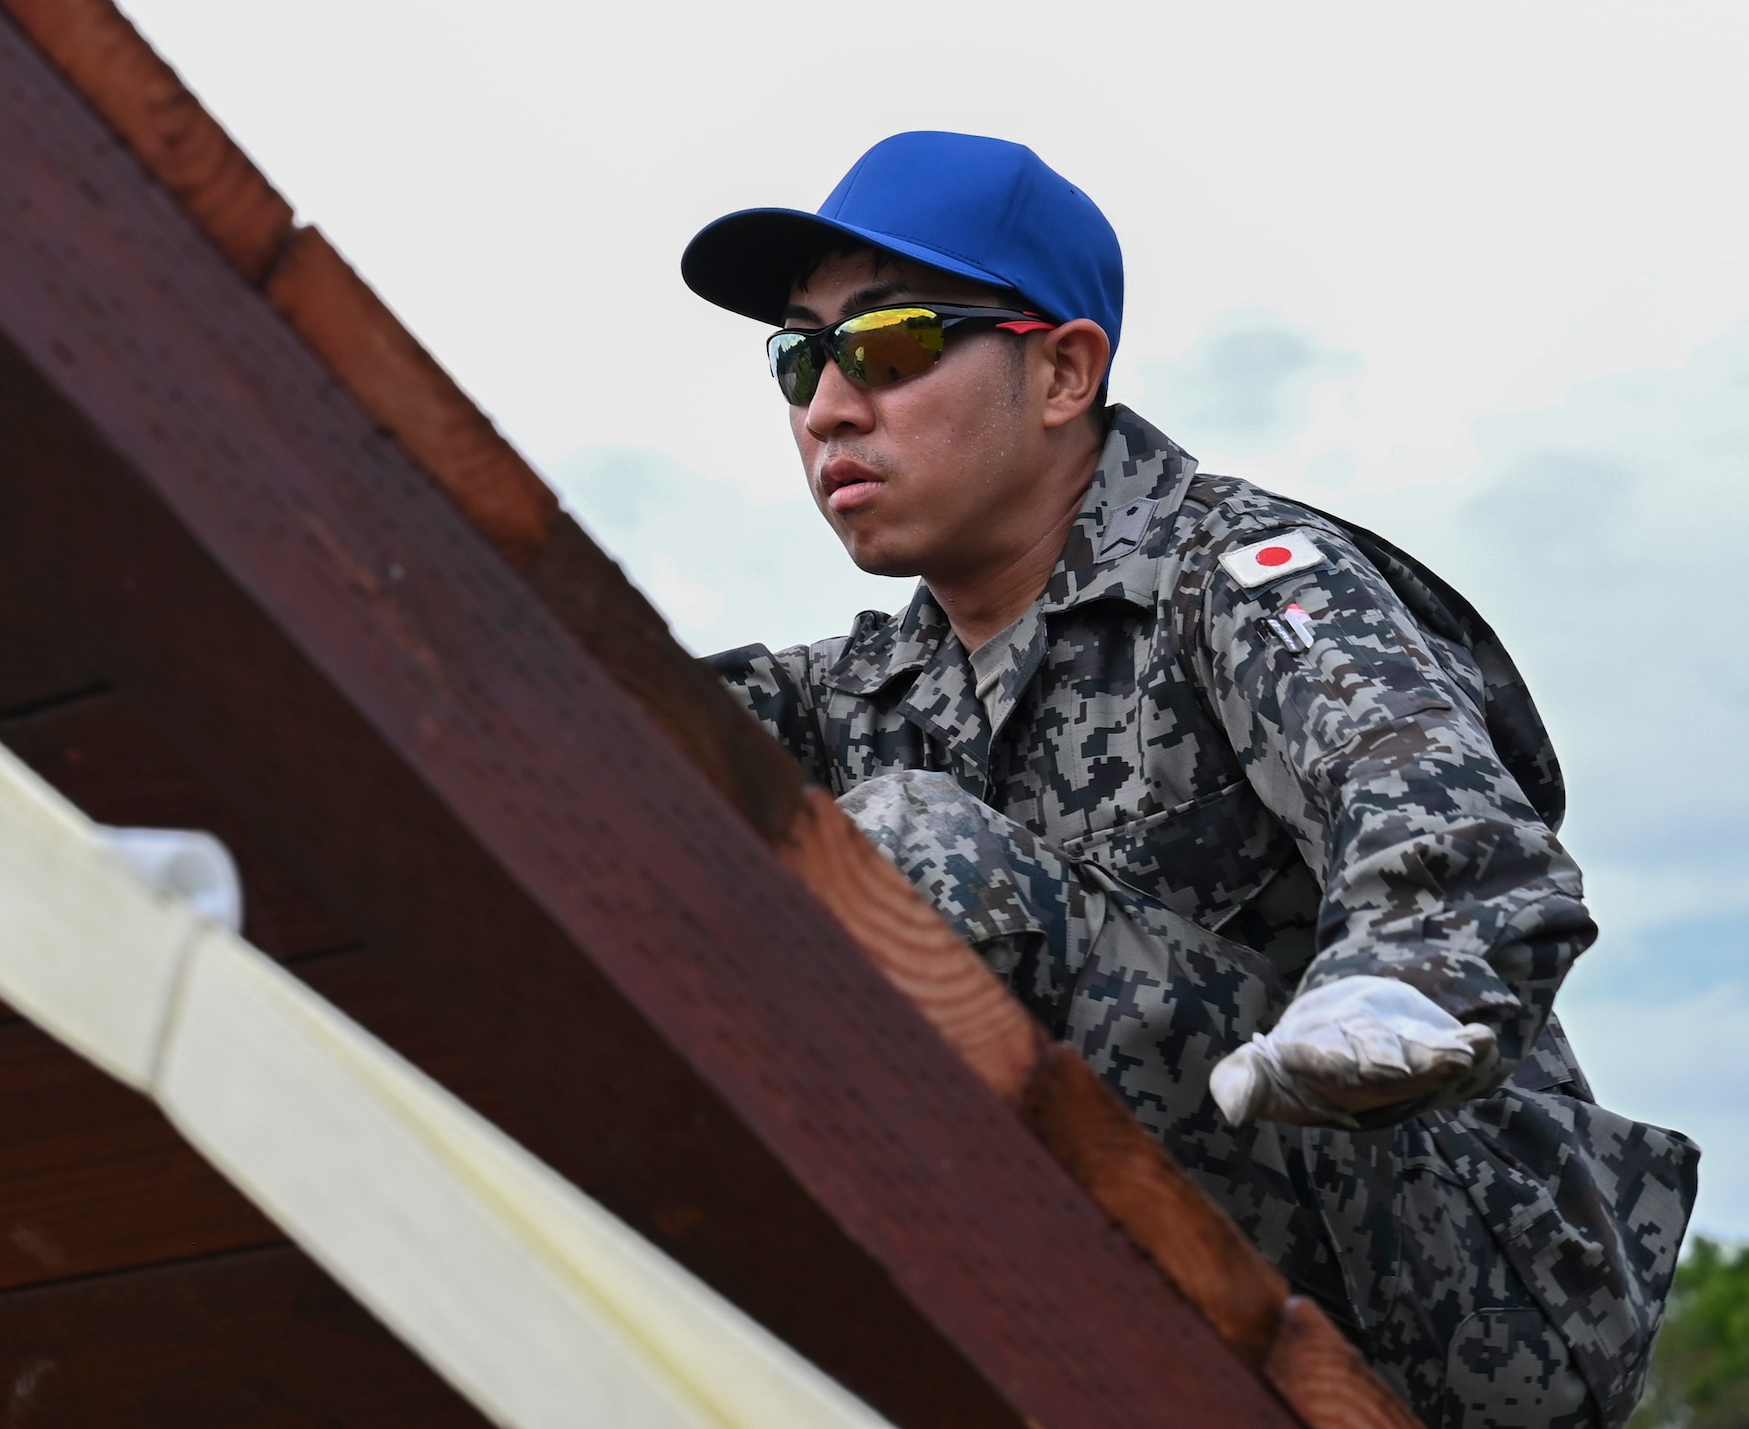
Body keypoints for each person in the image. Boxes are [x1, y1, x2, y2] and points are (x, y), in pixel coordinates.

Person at [681, 131, 1696, 1429]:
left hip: (1463, 1293)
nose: (826, 406)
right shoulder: (864, 696)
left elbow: (1449, 829)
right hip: (1134, 1270)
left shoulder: (1241, 573)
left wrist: (1398, 980)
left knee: (904, 858)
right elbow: (597, 707)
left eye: (886, 347)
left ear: (1062, 371)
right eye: (798, 357)